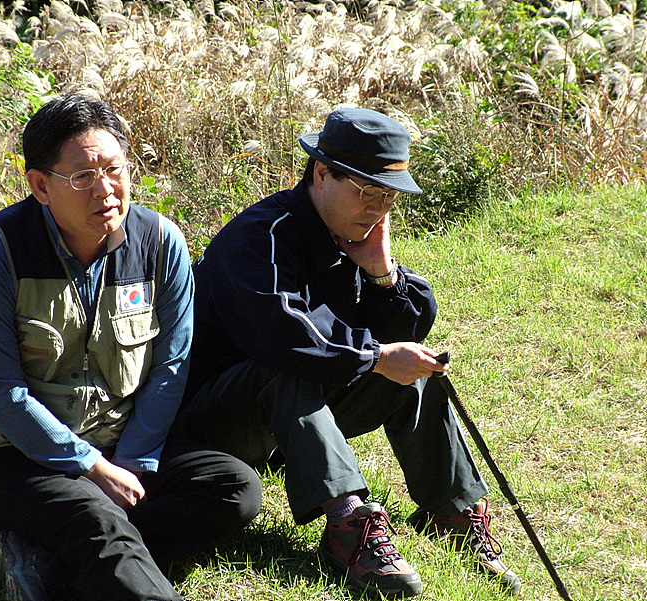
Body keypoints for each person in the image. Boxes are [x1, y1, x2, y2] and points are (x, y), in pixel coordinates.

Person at [168, 108, 522, 598]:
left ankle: (452, 509)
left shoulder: (350, 235)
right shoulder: (260, 236)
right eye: (366, 191)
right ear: (321, 173)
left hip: (288, 422)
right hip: (210, 423)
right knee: (287, 371)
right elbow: (284, 337)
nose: (377, 208)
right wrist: (377, 356)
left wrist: (382, 274)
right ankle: (347, 523)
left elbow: (407, 326)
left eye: (389, 196)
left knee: (414, 371)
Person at [0, 93, 262, 601]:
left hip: (119, 441)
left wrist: (132, 461)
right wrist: (92, 468)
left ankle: (53, 558)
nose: (105, 189)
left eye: (115, 169)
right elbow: (2, 394)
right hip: (9, 456)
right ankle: (93, 543)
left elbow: (171, 365)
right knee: (95, 516)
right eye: (83, 177)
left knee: (235, 489)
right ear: (40, 185)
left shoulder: (160, 242)